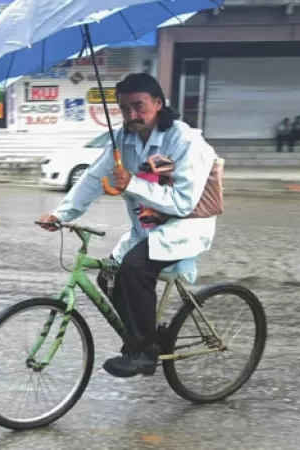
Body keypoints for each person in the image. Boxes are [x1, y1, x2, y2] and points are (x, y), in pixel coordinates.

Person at [37, 73, 219, 378]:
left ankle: (145, 352)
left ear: (158, 103)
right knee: (108, 276)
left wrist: (132, 183)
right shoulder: (123, 139)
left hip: (185, 226)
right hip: (147, 229)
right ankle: (144, 335)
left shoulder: (185, 141)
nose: (131, 115)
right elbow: (94, 178)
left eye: (138, 106)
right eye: (124, 108)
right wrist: (61, 215)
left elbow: (184, 202)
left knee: (134, 267)